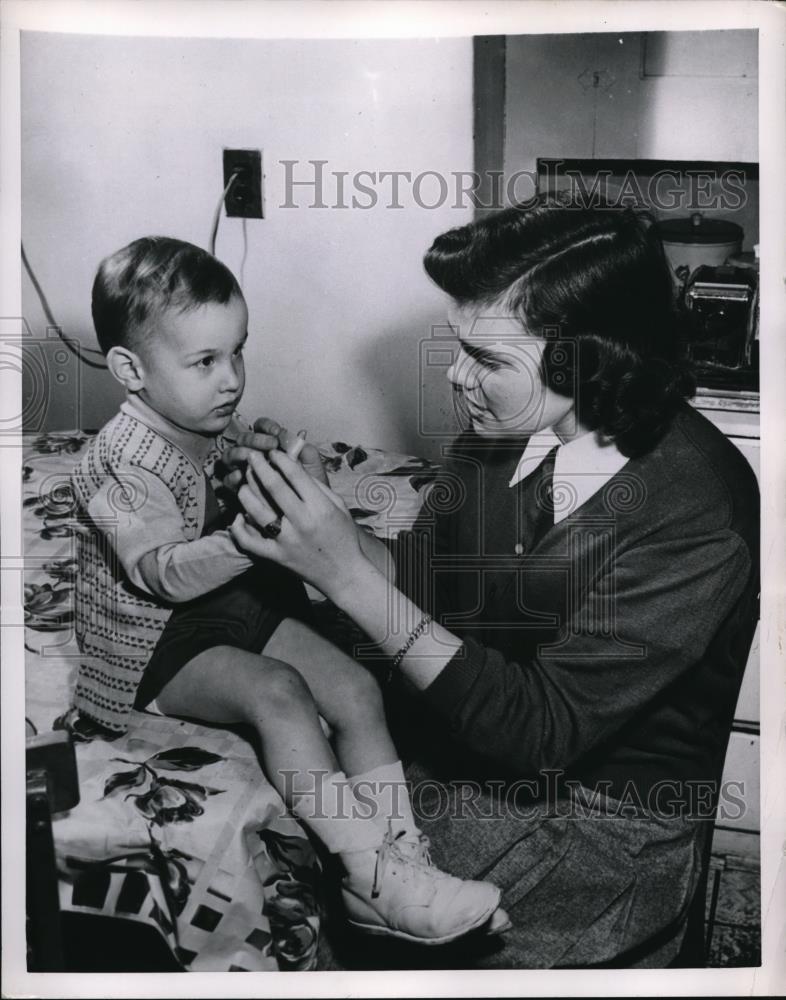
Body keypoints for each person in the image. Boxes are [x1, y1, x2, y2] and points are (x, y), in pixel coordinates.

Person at [226, 200, 760, 967]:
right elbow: (425, 585)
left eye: (487, 357)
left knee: (294, 890)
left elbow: (536, 732)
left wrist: (343, 573)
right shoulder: (500, 435)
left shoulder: (697, 512)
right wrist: (327, 527)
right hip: (472, 752)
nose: (455, 374)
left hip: (597, 828)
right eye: (459, 346)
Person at [69, 236, 505, 946]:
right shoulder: (115, 463)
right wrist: (251, 533)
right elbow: (160, 573)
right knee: (280, 694)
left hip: (228, 611)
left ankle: (398, 869)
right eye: (205, 362)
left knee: (357, 685)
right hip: (154, 641)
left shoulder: (204, 422)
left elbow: (227, 486)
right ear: (130, 370)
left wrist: (271, 465)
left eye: (237, 351)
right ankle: (366, 870)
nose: (232, 378)